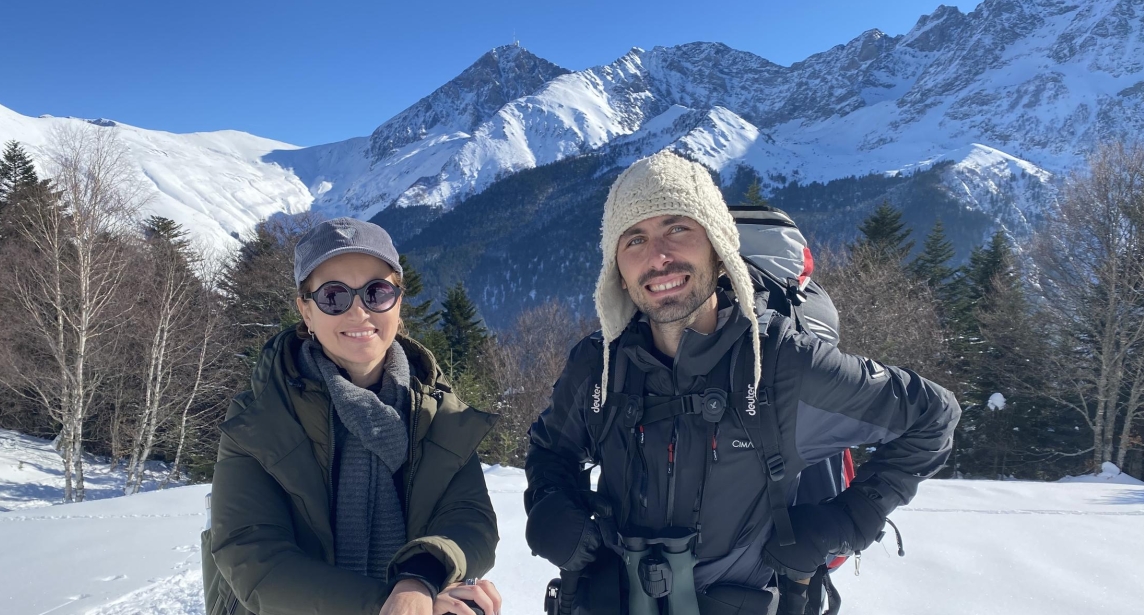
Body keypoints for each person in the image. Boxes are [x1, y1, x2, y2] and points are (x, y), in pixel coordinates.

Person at [524, 152, 961, 615]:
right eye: (635, 239)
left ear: (717, 245)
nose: (658, 257)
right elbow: (552, 450)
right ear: (618, 269)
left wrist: (848, 520)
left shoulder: (782, 365)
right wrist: (550, 505)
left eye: (678, 228)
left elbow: (933, 416)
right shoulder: (599, 366)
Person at [204, 218, 502, 615]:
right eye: (333, 296)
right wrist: (388, 605)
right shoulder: (261, 418)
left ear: (398, 301)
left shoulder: (437, 411)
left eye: (376, 292)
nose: (359, 311)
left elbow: (469, 517)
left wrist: (420, 578)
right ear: (305, 311)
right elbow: (255, 556)